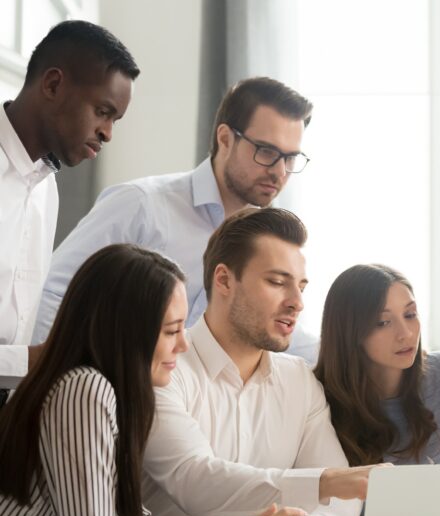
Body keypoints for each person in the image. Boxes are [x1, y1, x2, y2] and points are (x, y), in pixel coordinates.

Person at [0, 244, 308, 516]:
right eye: (171, 330)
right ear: (125, 330)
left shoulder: (113, 395)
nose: (184, 344)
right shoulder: (85, 389)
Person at [32, 76, 319, 363]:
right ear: (225, 139)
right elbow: (55, 293)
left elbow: (287, 337)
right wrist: (53, 388)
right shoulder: (141, 205)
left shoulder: (268, 247)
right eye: (267, 152)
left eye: (291, 158)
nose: (280, 171)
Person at [142, 207, 371, 516]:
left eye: (301, 286)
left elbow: (346, 496)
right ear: (224, 280)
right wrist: (324, 483)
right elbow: (194, 480)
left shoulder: (299, 379)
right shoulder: (163, 368)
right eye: (278, 282)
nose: (296, 302)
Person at [0, 20, 138, 401]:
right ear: (53, 85)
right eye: (103, 111)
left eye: (115, 120)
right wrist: (33, 362)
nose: (108, 132)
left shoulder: (47, 189)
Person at [315, 264, 440, 466]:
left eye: (410, 315)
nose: (406, 334)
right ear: (349, 332)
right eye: (383, 322)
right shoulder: (317, 397)